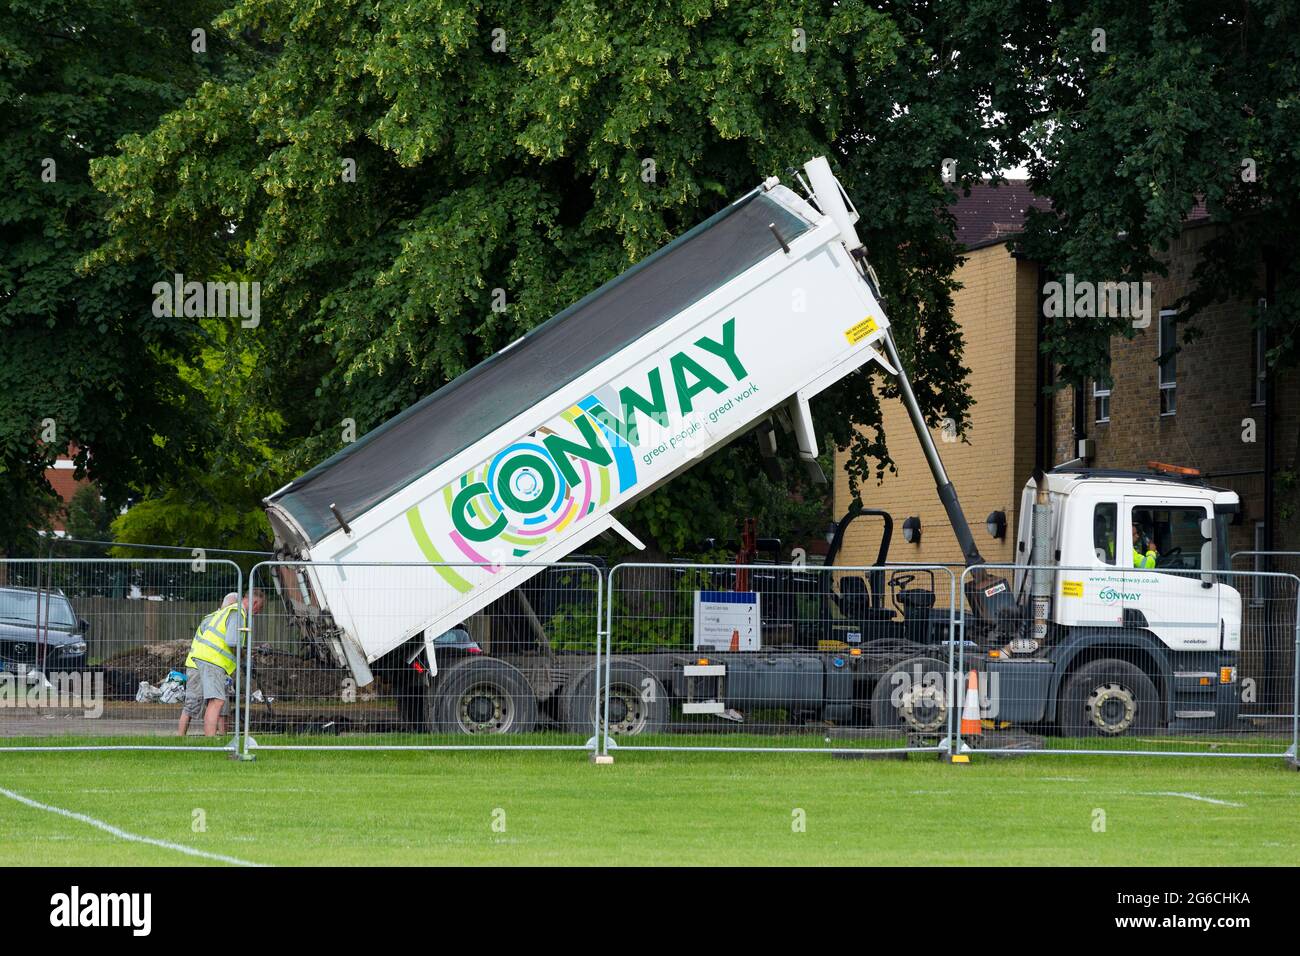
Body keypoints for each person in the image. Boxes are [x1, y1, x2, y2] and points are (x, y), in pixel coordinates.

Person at [178, 590, 265, 737]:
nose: (258, 612)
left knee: (212, 701)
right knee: (216, 701)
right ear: (255, 603)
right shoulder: (238, 613)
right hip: (213, 660)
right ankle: (210, 740)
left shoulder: (227, 611)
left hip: (203, 657)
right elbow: (232, 641)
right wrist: (243, 659)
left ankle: (203, 739)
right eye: (260, 608)